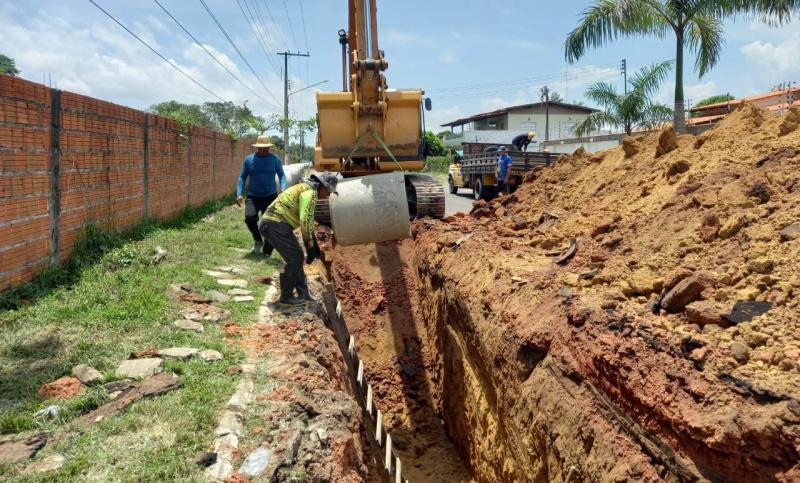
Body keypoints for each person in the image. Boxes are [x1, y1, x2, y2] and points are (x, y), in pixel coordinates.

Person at [259, 172, 338, 306]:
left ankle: (303, 293)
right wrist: (310, 246)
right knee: (295, 258)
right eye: (328, 191)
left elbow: (308, 220)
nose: (328, 195)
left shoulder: (306, 189)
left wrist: (313, 245)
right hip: (274, 223)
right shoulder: (310, 193)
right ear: (322, 186)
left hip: (275, 224)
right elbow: (305, 222)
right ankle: (286, 296)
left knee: (297, 257)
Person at [236, 135, 287, 256]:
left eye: (267, 147)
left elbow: (282, 175)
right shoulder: (249, 159)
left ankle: (267, 252)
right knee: (250, 218)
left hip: (270, 196)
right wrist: (239, 194)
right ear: (257, 147)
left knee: (270, 224)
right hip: (253, 196)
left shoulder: (274, 159)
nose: (265, 150)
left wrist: (284, 187)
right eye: (262, 148)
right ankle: (258, 240)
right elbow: (242, 177)